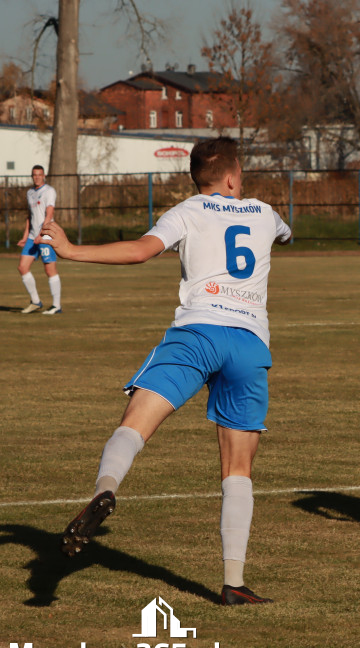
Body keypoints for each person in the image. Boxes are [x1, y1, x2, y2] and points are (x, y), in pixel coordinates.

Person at [42, 137, 291, 605]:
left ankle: (106, 489)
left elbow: (139, 251)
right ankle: (234, 584)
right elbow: (283, 233)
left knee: (133, 426)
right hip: (249, 343)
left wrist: (72, 251)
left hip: (197, 334)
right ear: (234, 177)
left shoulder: (187, 211)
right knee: (238, 468)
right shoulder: (264, 211)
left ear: (197, 178)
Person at [17, 164, 62, 314]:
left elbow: (49, 213)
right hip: (32, 236)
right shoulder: (30, 192)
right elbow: (30, 216)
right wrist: (25, 237)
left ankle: (56, 306)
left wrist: (41, 233)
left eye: (39, 174)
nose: (37, 177)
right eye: (34, 174)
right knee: (23, 267)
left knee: (50, 269)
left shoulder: (49, 191)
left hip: (46, 234)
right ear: (32, 176)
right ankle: (36, 301)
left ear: (44, 176)